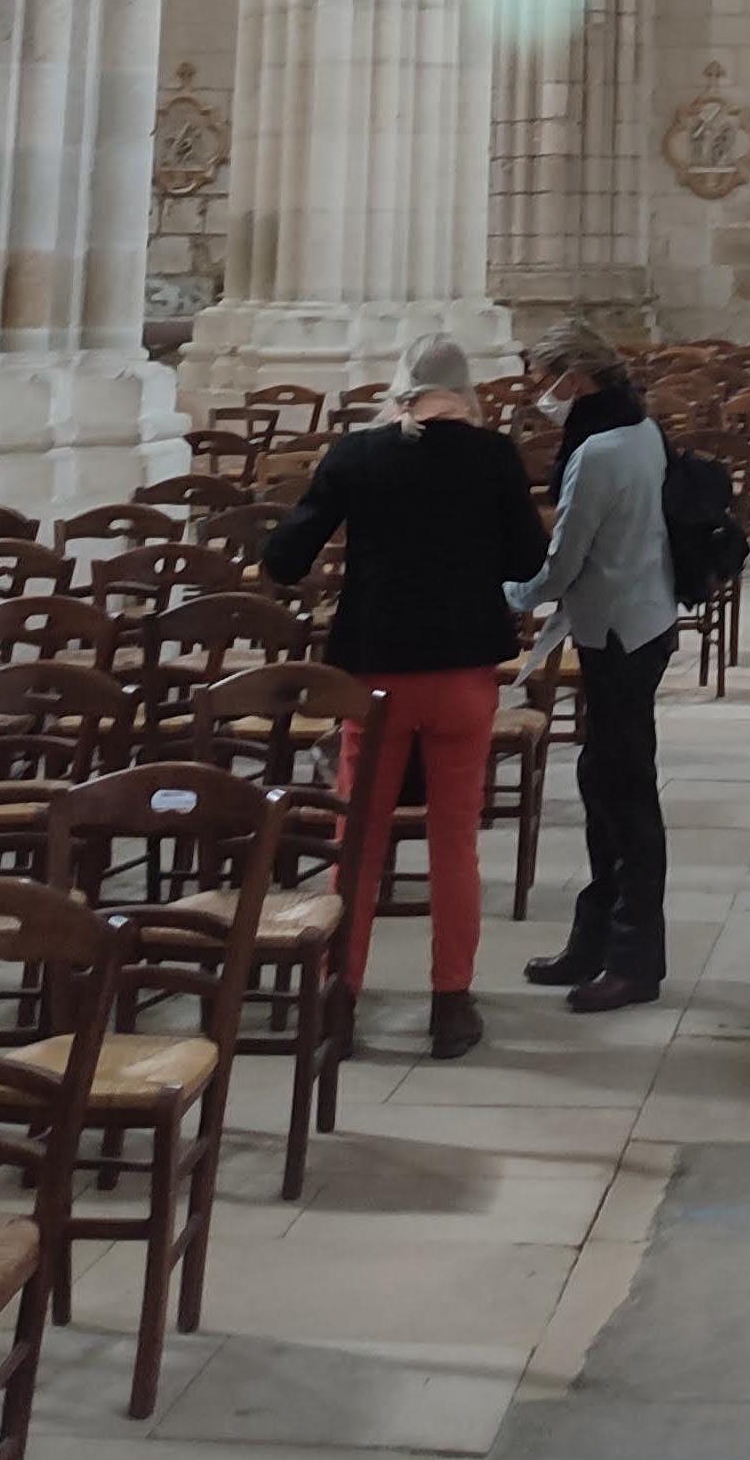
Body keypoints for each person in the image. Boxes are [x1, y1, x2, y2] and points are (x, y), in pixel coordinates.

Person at [262, 333, 544, 1061]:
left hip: (376, 674)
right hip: (462, 673)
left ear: (401, 387)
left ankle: (338, 998)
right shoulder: (492, 456)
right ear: (465, 388)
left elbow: (284, 559)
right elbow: (527, 560)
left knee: (357, 840)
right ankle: (450, 1004)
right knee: (454, 841)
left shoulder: (358, 455)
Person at [507, 315, 678, 1014]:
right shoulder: (638, 428)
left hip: (621, 633)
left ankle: (635, 962)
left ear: (574, 378)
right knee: (603, 782)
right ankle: (594, 941)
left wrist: (510, 595)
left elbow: (564, 560)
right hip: (638, 622)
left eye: (544, 380)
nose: (538, 394)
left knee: (625, 796)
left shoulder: (601, 450)